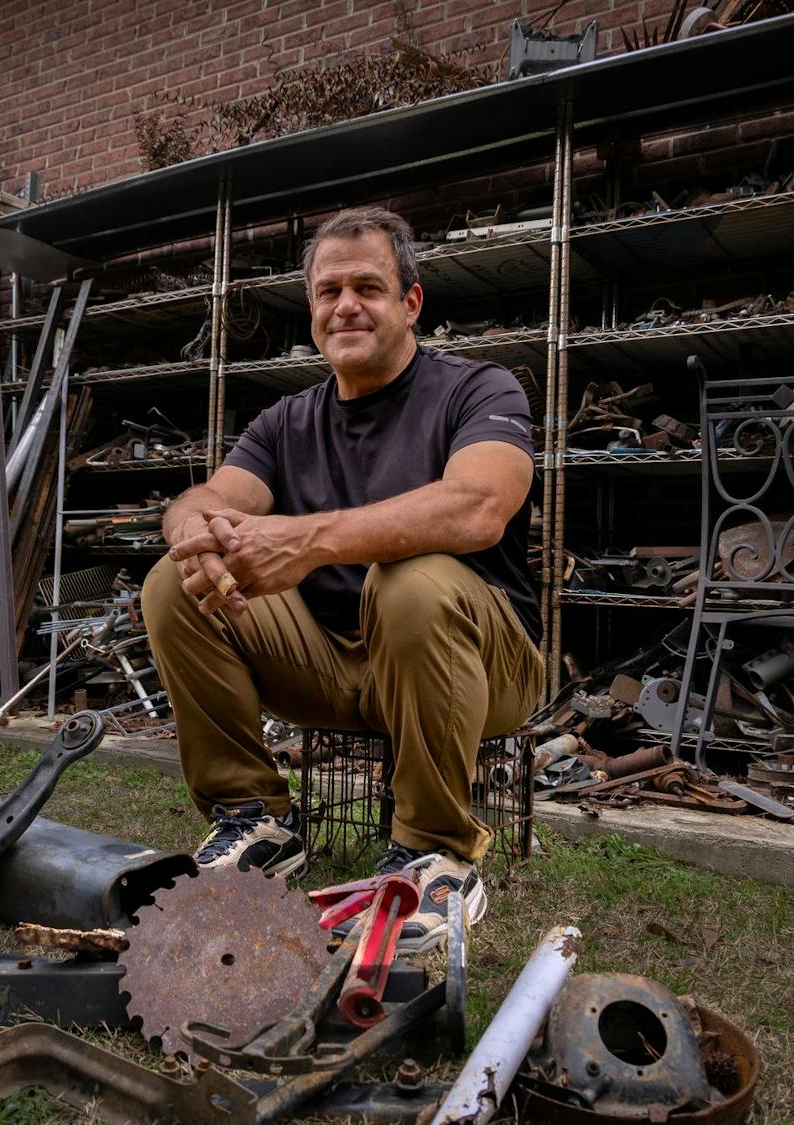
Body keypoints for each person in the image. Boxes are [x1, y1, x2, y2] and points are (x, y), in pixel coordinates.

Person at [142, 206, 543, 951]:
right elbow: (205, 499)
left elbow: (481, 505)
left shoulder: (480, 390)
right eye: (329, 291)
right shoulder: (287, 422)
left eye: (368, 286)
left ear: (411, 303)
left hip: (481, 667)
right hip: (338, 664)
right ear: (313, 308)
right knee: (175, 582)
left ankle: (437, 853)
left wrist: (308, 539)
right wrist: (193, 532)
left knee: (411, 580)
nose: (345, 305)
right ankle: (253, 821)